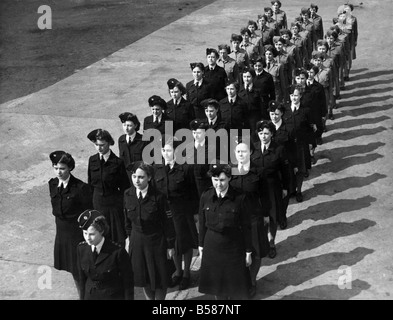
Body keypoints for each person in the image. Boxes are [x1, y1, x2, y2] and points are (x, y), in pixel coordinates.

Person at [198, 163, 252, 300]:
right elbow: (202, 224)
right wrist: (201, 246)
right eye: (215, 180)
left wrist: (248, 252)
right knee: (218, 287)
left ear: (229, 178)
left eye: (222, 180)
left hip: (233, 247)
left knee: (235, 288)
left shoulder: (240, 198)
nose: (219, 184)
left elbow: (246, 226)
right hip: (212, 247)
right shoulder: (206, 196)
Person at [124, 161, 175, 300]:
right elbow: (127, 221)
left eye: (141, 177)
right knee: (143, 277)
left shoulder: (159, 197)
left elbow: (168, 223)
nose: (137, 180)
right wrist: (129, 239)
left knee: (160, 278)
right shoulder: (128, 194)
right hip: (137, 241)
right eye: (134, 176)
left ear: (149, 178)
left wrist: (170, 245)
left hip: (156, 241)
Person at [153, 138, 199, 291]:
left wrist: (195, 213)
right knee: (171, 243)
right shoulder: (157, 168)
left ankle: (186, 274)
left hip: (182, 212)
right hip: (165, 214)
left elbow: (193, 192)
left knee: (184, 243)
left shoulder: (185, 168)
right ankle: (178, 271)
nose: (166, 154)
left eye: (170, 150)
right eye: (164, 150)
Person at [48, 151, 92, 294]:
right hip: (62, 235)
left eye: (62, 168)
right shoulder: (53, 184)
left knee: (81, 272)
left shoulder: (80, 188)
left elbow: (89, 214)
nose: (58, 172)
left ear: (70, 168)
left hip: (76, 236)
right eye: (56, 168)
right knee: (73, 271)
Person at [230, 142, 269, 298]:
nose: (241, 154)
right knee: (238, 253)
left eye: (244, 151)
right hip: (235, 220)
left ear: (250, 153)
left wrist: (266, 214)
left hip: (254, 218)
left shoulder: (258, 172)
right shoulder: (230, 171)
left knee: (256, 252)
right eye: (238, 151)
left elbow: (265, 195)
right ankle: (241, 281)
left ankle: (252, 281)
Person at [251, 121, 290, 259]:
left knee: (272, 217)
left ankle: (271, 242)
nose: (263, 136)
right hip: (255, 189)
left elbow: (285, 171)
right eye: (260, 133)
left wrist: (286, 188)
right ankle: (260, 242)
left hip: (272, 188)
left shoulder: (279, 149)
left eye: (266, 133)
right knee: (259, 217)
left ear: (272, 134)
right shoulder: (253, 148)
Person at [76, 210, 134, 300]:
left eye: (92, 234)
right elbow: (82, 279)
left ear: (102, 231)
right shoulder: (81, 249)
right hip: (90, 295)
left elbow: (128, 282)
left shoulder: (117, 252)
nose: (88, 238)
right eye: (85, 233)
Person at [87, 129, 130, 246]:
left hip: (113, 206)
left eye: (102, 145)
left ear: (109, 143)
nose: (99, 148)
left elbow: (125, 188)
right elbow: (90, 184)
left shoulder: (117, 162)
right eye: (96, 145)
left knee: (116, 239)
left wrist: (122, 206)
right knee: (98, 238)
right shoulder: (92, 160)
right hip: (98, 204)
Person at [282, 85, 314, 202]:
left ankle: (299, 191)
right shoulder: (285, 110)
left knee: (300, 170)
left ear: (300, 96)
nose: (294, 98)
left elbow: (310, 129)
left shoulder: (305, 111)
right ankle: (291, 190)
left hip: (301, 145)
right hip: (288, 145)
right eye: (292, 95)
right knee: (289, 168)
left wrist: (311, 144)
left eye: (296, 95)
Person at [268, 101, 296, 229]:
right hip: (271, 167)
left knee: (285, 193)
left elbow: (292, 148)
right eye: (272, 114)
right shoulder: (265, 129)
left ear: (282, 114)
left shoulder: (288, 129)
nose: (274, 117)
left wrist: (294, 165)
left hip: (285, 166)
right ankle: (275, 216)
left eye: (277, 114)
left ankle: (282, 216)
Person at [237, 67, 266, 135]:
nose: (246, 79)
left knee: (254, 139)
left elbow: (262, 106)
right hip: (243, 120)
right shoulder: (239, 90)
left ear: (252, 77)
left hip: (254, 119)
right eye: (244, 77)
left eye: (248, 77)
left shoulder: (258, 90)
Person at [118, 112, 146, 176]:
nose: (126, 128)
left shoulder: (143, 140)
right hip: (125, 176)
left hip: (138, 175)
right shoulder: (121, 139)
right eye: (124, 125)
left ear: (135, 125)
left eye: (129, 125)